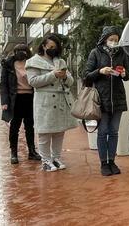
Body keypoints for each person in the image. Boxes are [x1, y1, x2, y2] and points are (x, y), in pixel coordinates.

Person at [25, 34, 78, 172]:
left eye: (56, 47)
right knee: (44, 133)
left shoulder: (60, 61)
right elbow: (33, 81)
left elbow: (71, 81)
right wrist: (53, 74)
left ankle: (56, 158)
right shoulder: (33, 61)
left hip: (60, 100)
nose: (53, 49)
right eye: (51, 47)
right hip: (45, 101)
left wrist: (65, 76)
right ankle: (45, 160)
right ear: (43, 46)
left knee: (59, 132)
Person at [83, 26, 129, 177]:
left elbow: (128, 75)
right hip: (101, 98)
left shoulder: (122, 53)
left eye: (116, 40)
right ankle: (104, 163)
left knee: (114, 131)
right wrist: (100, 71)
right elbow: (86, 75)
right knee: (103, 132)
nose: (114, 42)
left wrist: (124, 73)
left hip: (118, 98)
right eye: (111, 39)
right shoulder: (95, 53)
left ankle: (112, 161)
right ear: (104, 39)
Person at [0, 43, 40, 164]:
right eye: (18, 51)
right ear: (14, 52)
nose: (21, 53)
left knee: (30, 126)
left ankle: (32, 152)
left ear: (27, 52)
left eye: (23, 50)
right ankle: (13, 153)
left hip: (30, 98)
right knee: (14, 127)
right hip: (15, 99)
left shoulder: (32, 63)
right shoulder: (8, 64)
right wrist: (4, 102)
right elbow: (3, 84)